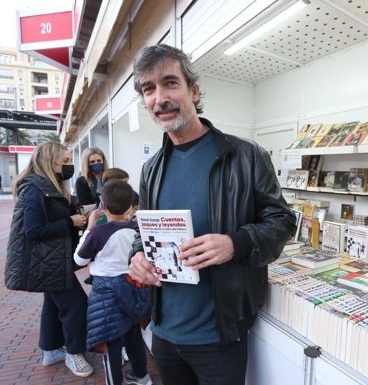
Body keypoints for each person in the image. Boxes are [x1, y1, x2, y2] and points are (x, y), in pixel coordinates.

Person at [127, 44, 296, 385]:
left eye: (170, 83)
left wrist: (236, 243)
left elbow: (282, 221)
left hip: (219, 336)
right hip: (163, 331)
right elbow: (142, 231)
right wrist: (137, 255)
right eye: (149, 89)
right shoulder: (151, 169)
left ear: (194, 90)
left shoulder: (246, 156)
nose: (160, 98)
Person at [4, 141, 94, 377]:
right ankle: (75, 353)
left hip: (53, 259)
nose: (69, 165)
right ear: (49, 161)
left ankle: (51, 350)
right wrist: (69, 222)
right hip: (46, 262)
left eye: (69, 160)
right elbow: (32, 231)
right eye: (64, 161)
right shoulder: (34, 189)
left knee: (53, 306)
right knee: (76, 306)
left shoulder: (49, 186)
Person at [74, 179, 151, 385]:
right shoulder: (138, 229)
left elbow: (79, 259)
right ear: (131, 206)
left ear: (103, 205)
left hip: (106, 293)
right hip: (134, 287)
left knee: (110, 343)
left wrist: (89, 228)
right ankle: (142, 376)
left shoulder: (99, 233)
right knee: (134, 336)